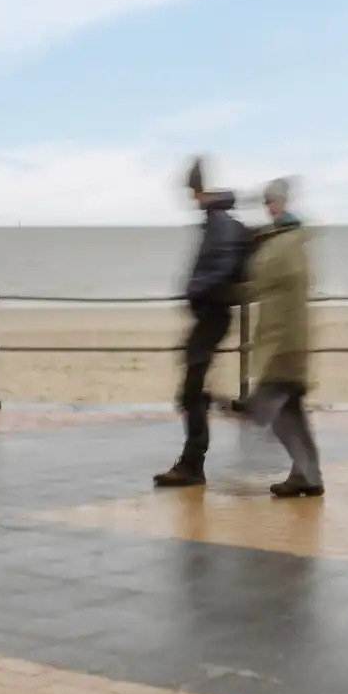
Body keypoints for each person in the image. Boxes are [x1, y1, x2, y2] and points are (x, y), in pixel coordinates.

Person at [154, 157, 251, 487]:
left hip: (213, 313)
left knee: (192, 390)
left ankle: (193, 464)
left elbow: (221, 264)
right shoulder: (216, 220)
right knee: (193, 384)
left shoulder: (220, 223)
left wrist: (195, 288)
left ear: (199, 192)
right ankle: (195, 455)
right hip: (211, 313)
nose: (189, 198)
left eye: (190, 190)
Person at [236, 178, 322, 497]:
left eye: (271, 201)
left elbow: (258, 283)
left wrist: (224, 292)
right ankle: (307, 476)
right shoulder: (291, 239)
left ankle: (307, 475)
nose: (269, 206)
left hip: (281, 342)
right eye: (266, 201)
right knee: (293, 412)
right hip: (290, 338)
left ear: (282, 202)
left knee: (275, 413)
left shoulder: (282, 244)